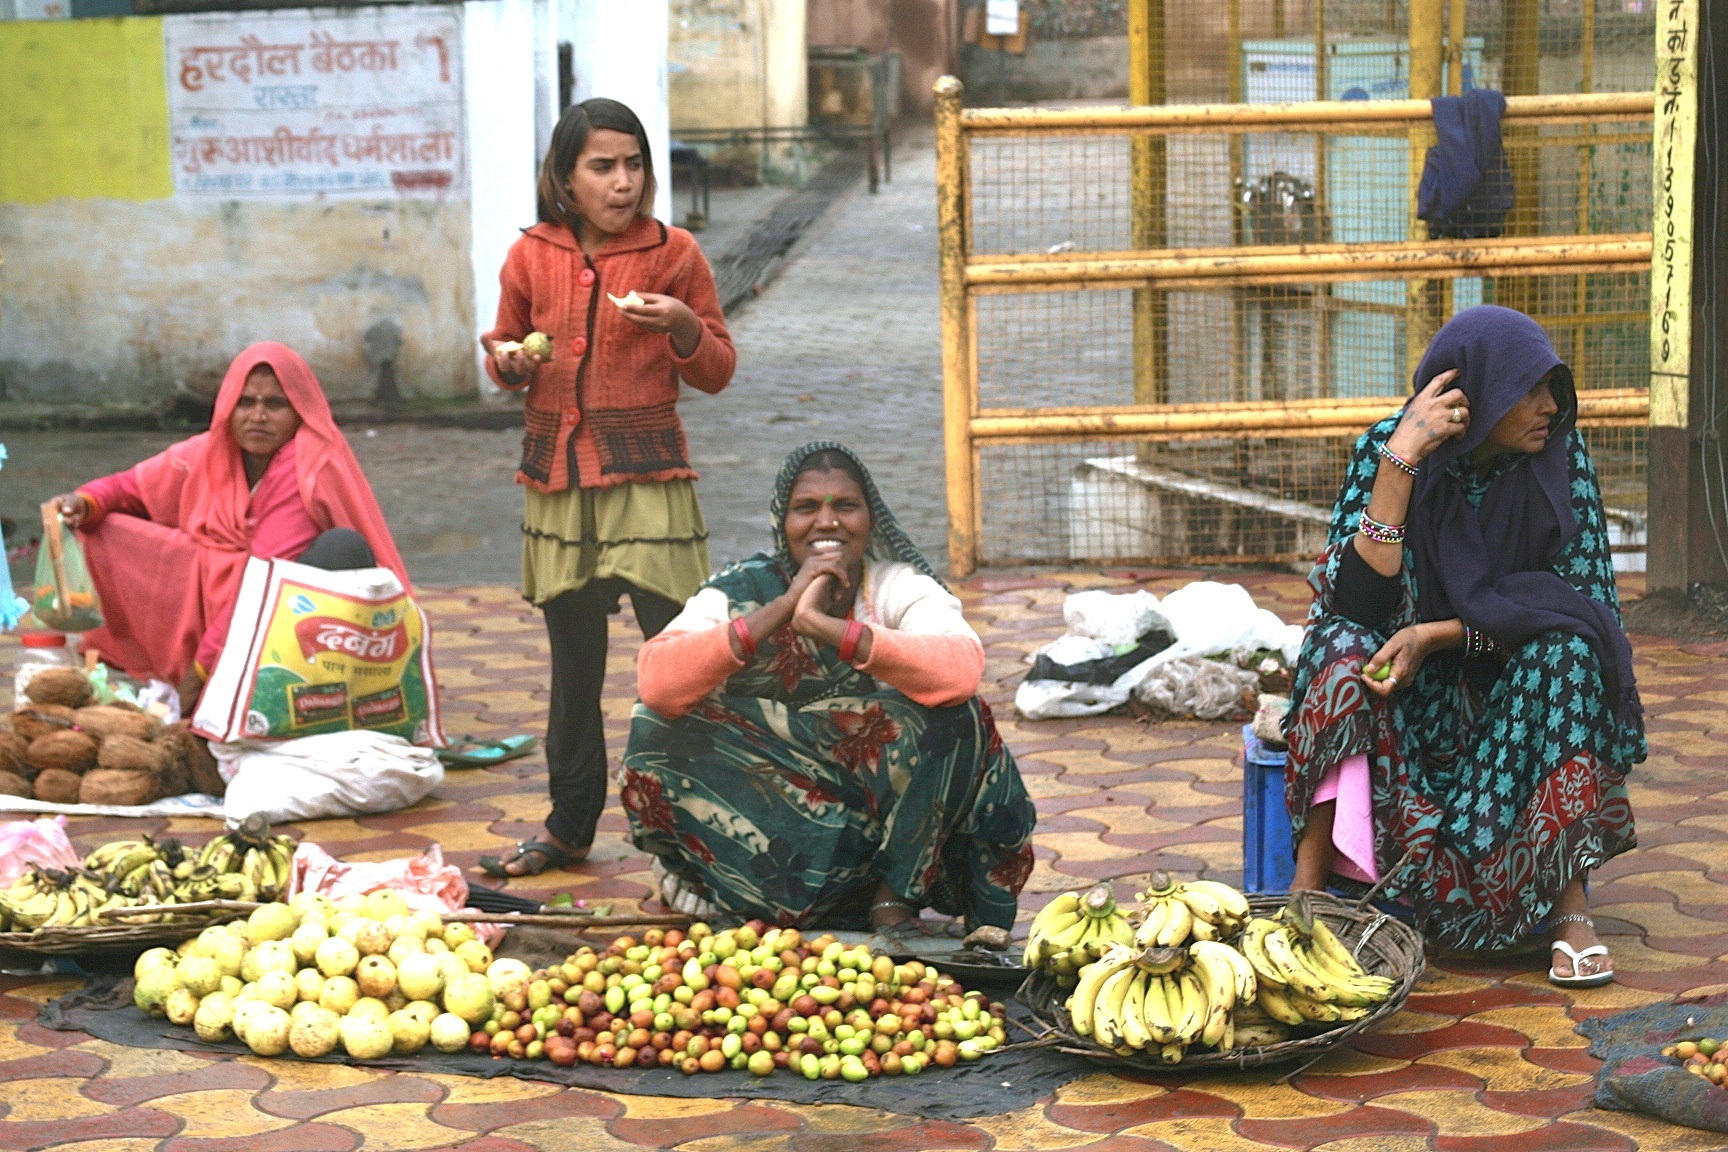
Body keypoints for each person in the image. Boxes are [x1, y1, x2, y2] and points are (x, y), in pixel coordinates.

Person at [1283, 305, 1645, 988]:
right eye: (1529, 390)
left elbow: (1586, 607)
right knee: (1338, 646)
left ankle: (1570, 910)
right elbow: (1358, 602)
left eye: (1553, 389)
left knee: (1568, 654)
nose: (1547, 407)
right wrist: (1403, 462)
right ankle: (1312, 894)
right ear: (1470, 399)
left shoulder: (1561, 463)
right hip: (1407, 713)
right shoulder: (1387, 447)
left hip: (1510, 708)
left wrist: (1440, 635)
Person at [620, 442, 1037, 933]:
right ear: (784, 522)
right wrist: (784, 607)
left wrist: (824, 627)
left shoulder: (893, 587)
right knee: (653, 726)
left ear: (869, 518)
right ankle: (722, 887)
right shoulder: (740, 590)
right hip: (769, 832)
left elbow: (961, 671)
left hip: (880, 832)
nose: (826, 522)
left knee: (960, 719)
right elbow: (658, 682)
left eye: (845, 506)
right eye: (806, 508)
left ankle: (892, 900)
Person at [476, 97, 735, 878]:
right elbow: (501, 347)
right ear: (563, 179)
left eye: (634, 164)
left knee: (679, 664)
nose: (623, 183)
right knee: (573, 665)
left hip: (648, 477)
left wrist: (683, 325)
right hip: (558, 480)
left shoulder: (674, 252)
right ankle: (568, 825)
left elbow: (718, 366)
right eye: (602, 167)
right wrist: (509, 362)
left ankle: (701, 831)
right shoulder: (529, 256)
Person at [54, 342, 408, 708]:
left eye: (275, 404)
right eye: (245, 402)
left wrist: (198, 679)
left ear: (300, 411)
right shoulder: (209, 453)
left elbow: (262, 581)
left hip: (299, 622)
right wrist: (85, 501)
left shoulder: (307, 467)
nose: (258, 416)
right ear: (228, 406)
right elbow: (128, 488)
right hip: (228, 610)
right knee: (107, 525)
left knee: (336, 547)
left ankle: (255, 690)